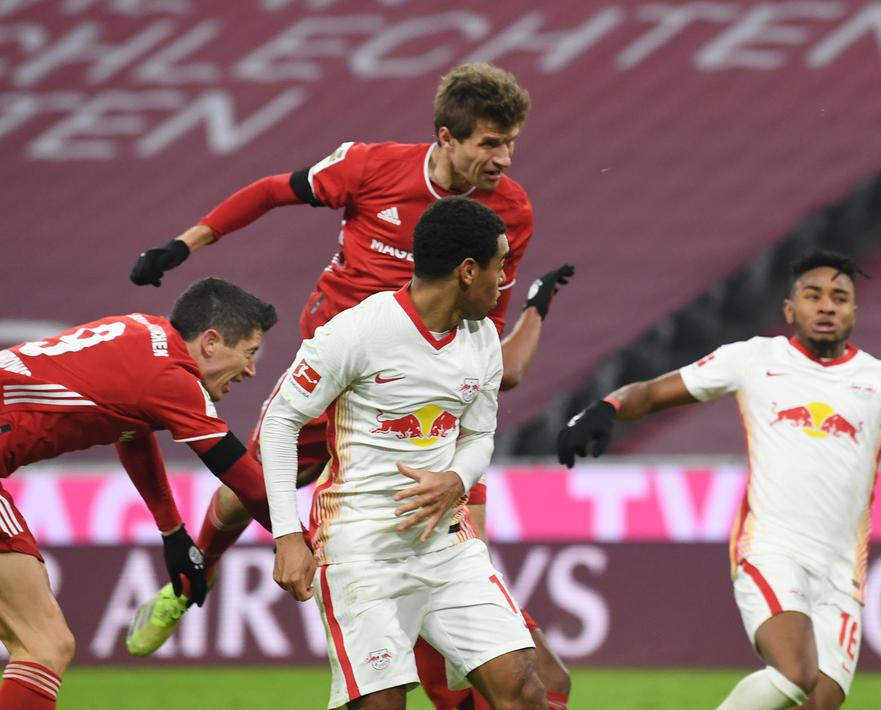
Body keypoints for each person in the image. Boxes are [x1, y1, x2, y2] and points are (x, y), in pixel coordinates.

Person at [125, 62, 572, 709]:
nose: (502, 159)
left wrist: (529, 316)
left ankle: (470, 656)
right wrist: (185, 244)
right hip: (337, 378)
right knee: (240, 495)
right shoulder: (372, 168)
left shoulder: (509, 212)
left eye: (510, 143)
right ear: (446, 137)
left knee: (461, 534)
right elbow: (273, 191)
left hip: (423, 397)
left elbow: (486, 350)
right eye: (488, 143)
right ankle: (192, 580)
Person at [557, 250, 881, 710]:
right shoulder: (754, 359)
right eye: (813, 296)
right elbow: (654, 392)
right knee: (795, 673)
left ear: (855, 311)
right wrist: (606, 409)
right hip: (771, 549)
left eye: (840, 297)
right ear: (790, 310)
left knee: (818, 703)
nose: (827, 306)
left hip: (842, 572)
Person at [263, 196, 544, 709]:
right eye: (499, 265)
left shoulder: (482, 339)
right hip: (360, 547)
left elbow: (479, 436)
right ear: (466, 271)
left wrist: (457, 479)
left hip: (446, 544)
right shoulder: (359, 331)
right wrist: (287, 536)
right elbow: (280, 420)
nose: (504, 280)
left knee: (524, 690)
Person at [0, 278, 277, 710]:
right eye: (249, 353)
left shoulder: (142, 333)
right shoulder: (171, 379)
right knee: (44, 646)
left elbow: (131, 430)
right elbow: (247, 482)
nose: (251, 370)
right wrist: (309, 540)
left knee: (41, 643)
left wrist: (173, 533)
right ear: (210, 341)